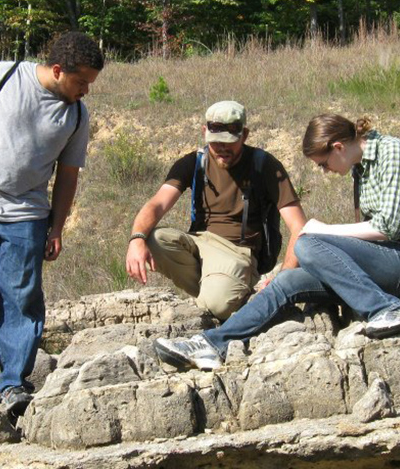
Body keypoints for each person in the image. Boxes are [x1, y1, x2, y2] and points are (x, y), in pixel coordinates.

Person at [154, 114, 400, 371]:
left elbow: (387, 227)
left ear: (338, 147)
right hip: (383, 259)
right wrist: (290, 267)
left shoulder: (393, 153)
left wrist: (324, 231)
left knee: (306, 242)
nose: (325, 171)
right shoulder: (361, 167)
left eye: (323, 164)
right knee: (288, 282)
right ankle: (213, 343)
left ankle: (386, 309)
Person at [0, 32, 104, 412]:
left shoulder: (76, 115)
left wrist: (57, 227)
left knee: (22, 302)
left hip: (26, 218)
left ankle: (13, 384)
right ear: (58, 70)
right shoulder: (4, 76)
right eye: (81, 83)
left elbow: (69, 174)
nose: (86, 91)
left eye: (90, 84)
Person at [126, 101, 308, 321]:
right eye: (215, 142)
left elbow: (299, 226)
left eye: (230, 142)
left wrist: (285, 277)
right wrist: (136, 239)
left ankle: (229, 294)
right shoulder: (194, 162)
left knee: (218, 306)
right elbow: (157, 204)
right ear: (204, 133)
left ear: (245, 135)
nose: (222, 148)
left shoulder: (265, 165)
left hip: (239, 252)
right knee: (154, 239)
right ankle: (226, 293)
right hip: (201, 243)